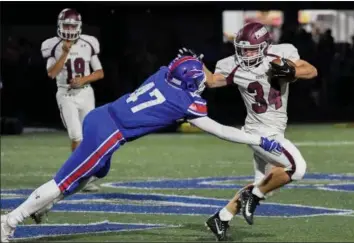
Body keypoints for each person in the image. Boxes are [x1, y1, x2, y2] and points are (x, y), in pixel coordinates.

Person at [1, 55, 283, 242]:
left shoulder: (163, 74)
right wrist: (259, 140)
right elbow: (222, 131)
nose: (202, 85)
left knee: (95, 173)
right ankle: (10, 222)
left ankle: (44, 206)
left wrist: (191, 60)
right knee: (65, 180)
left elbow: (179, 66)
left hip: (100, 115)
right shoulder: (184, 102)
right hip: (109, 134)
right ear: (189, 84)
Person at [180, 21, 317, 241]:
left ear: (265, 46)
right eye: (242, 50)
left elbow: (310, 71)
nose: (246, 55)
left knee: (266, 182)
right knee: (297, 168)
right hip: (260, 133)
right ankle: (252, 195)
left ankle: (222, 218)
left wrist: (290, 70)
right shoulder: (234, 64)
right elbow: (213, 81)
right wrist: (197, 62)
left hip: (272, 130)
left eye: (252, 49)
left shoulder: (281, 53)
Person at [41, 8, 104, 194]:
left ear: (79, 26)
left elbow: (99, 73)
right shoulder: (52, 45)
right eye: (66, 25)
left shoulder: (88, 43)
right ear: (60, 25)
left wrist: (83, 80)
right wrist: (64, 53)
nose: (69, 28)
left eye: (72, 25)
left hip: (85, 93)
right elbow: (52, 73)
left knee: (90, 135)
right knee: (76, 136)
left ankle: (87, 176)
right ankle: (77, 175)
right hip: (66, 94)